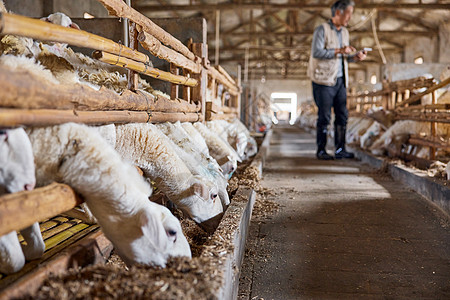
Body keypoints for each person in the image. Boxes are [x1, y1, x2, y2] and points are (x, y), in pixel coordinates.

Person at [307, 0, 367, 160]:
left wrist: (355, 57)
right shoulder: (322, 30)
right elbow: (317, 52)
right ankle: (321, 150)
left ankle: (340, 149)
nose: (350, 17)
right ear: (338, 12)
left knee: (342, 115)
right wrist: (340, 50)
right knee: (324, 116)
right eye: (348, 13)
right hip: (324, 80)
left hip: (341, 80)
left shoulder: (345, 33)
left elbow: (343, 58)